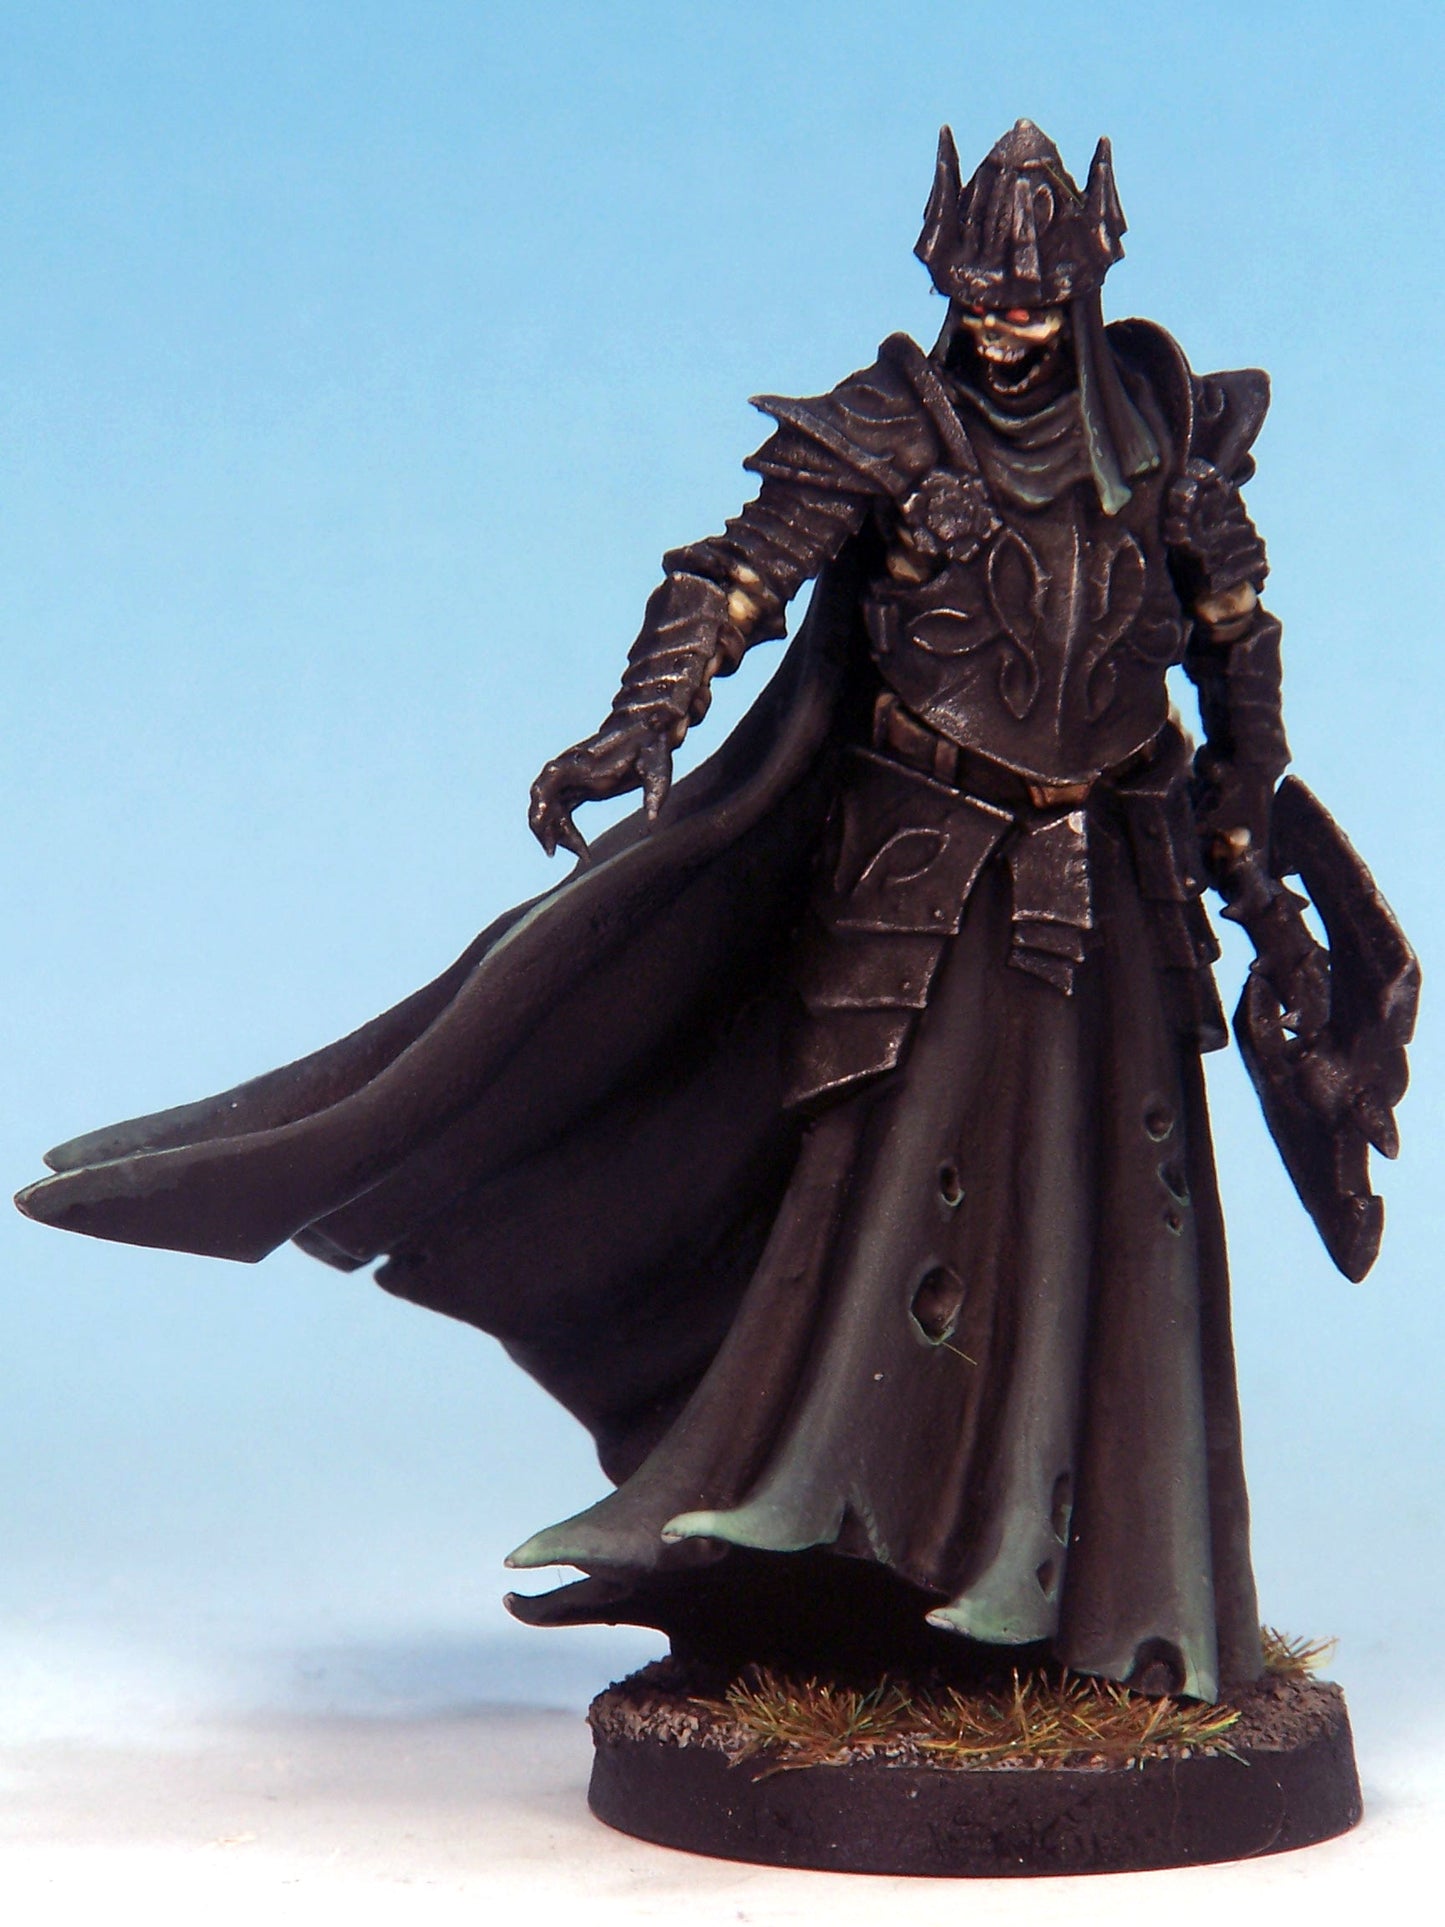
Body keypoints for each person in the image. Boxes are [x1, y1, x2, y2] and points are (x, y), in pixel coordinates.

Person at [17, 123, 1410, 1703]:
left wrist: (1245, 796)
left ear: (1090, 276)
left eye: (1036, 288)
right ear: (944, 277)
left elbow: (1232, 635)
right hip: (927, 877)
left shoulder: (1165, 441)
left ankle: (1107, 1598)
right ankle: (847, 1556)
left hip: (1107, 887)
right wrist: (640, 723)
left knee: (1110, 1221)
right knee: (890, 1228)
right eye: (983, 287)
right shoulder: (889, 432)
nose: (1009, 309)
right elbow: (733, 580)